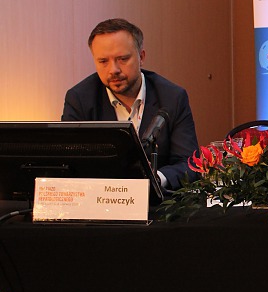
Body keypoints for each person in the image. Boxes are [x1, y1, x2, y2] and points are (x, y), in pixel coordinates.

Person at [62, 18, 199, 190]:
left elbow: (189, 164)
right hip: (99, 198)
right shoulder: (79, 99)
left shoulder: (172, 97)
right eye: (103, 61)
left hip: (158, 203)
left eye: (122, 59)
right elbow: (68, 163)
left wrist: (156, 179)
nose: (113, 70)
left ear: (141, 57)